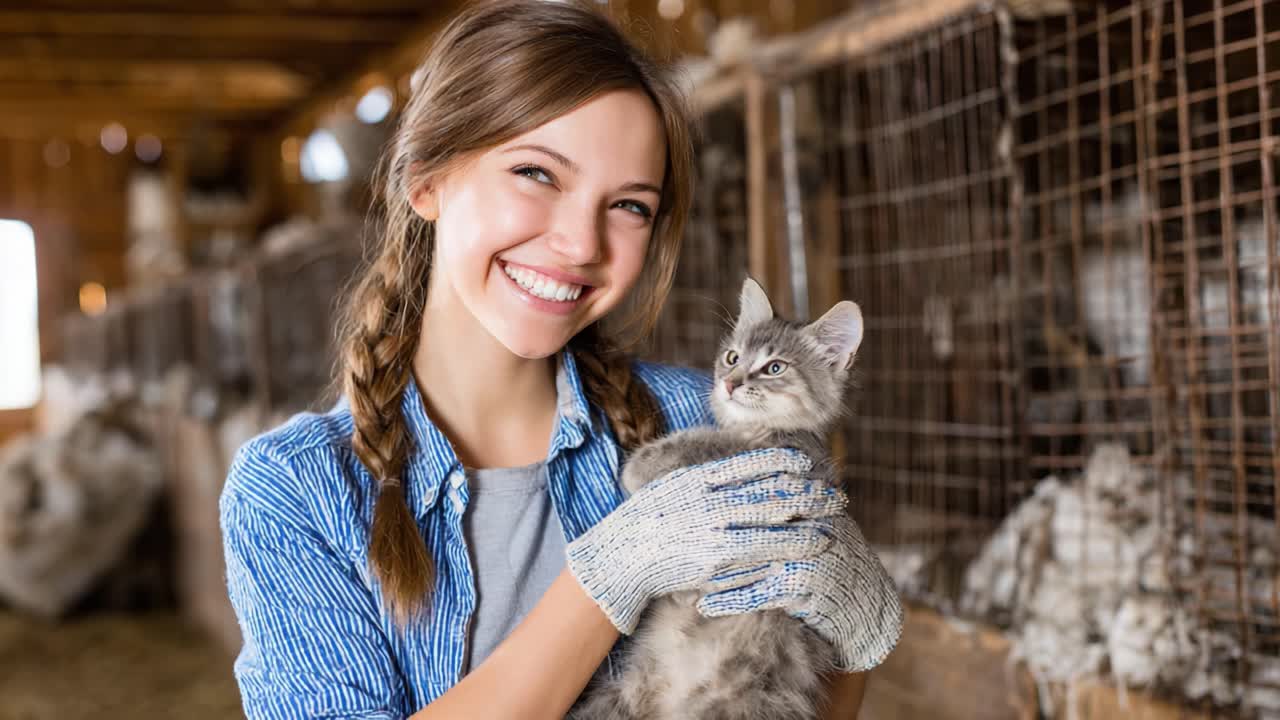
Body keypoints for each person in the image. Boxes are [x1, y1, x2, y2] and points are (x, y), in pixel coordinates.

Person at [219, 2, 902, 718]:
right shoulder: (294, 490)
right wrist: (612, 575)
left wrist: (856, 639)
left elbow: (785, 685)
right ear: (426, 179)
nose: (581, 243)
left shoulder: (697, 419)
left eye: (630, 206)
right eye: (537, 174)